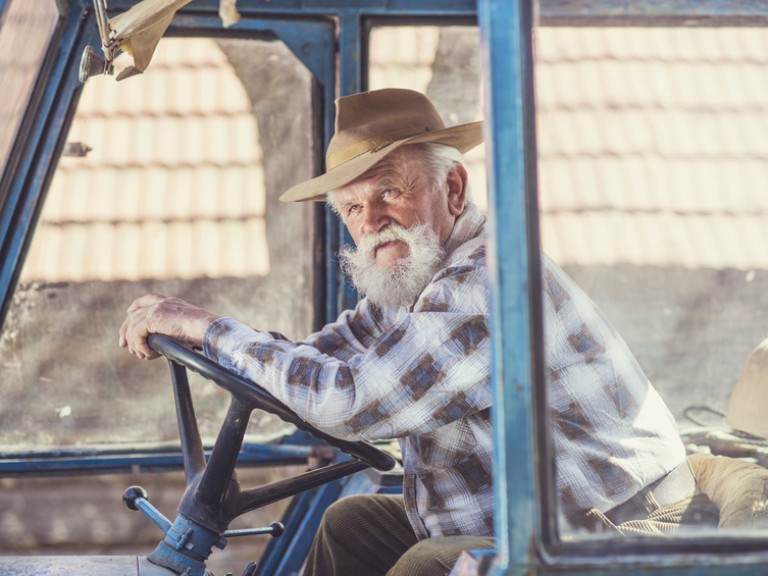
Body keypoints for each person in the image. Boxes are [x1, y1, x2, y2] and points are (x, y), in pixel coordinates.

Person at [119, 88, 712, 576]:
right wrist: (214, 345)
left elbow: (349, 399)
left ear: (452, 188)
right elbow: (318, 362)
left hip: (615, 527)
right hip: (532, 515)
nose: (371, 222)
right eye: (351, 209)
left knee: (429, 567)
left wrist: (208, 327)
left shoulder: (483, 284)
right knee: (347, 526)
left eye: (389, 193)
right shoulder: (412, 280)